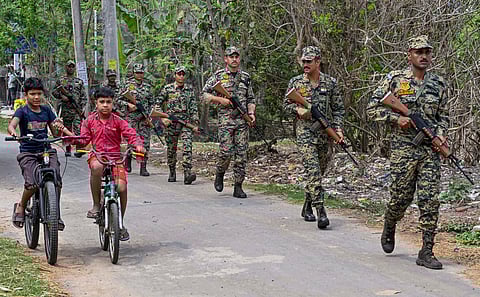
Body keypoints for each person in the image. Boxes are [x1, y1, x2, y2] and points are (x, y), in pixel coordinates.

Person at [367, 35, 448, 269]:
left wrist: (440, 135)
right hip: (403, 149)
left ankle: (426, 250)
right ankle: (390, 222)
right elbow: (372, 108)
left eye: (427, 52)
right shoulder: (394, 80)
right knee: (400, 197)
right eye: (419, 52)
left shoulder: (439, 84)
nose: (424, 56)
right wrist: (396, 119)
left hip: (429, 150)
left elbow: (444, 117)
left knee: (430, 199)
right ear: (409, 54)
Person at [283, 46, 345, 230]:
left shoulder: (330, 83)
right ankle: (321, 211)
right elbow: (286, 105)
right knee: (313, 170)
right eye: (303, 61)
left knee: (320, 169)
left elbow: (338, 109)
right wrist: (297, 110)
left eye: (309, 61)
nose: (305, 64)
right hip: (305, 133)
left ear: (318, 62)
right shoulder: (296, 82)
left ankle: (307, 205)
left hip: (324, 134)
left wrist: (338, 129)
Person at [74, 87, 145, 241]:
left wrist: (138, 144)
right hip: (98, 156)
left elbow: (131, 134)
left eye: (108, 102)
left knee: (121, 187)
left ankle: (119, 222)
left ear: (112, 103)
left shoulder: (118, 120)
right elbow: (83, 139)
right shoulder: (89, 121)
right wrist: (73, 139)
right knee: (97, 168)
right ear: (96, 103)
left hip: (116, 158)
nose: (105, 105)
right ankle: (96, 204)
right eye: (102, 102)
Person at [8, 77, 73, 230]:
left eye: (39, 93)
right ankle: (21, 205)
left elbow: (55, 130)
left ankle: (55, 214)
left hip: (45, 150)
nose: (36, 97)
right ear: (26, 95)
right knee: (31, 184)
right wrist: (14, 134)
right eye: (32, 94)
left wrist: (61, 128)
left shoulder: (46, 111)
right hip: (28, 152)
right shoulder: (22, 111)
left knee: (56, 179)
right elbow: (12, 125)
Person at [202, 46, 256, 198]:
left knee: (241, 154)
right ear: (226, 59)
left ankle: (238, 186)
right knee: (226, 152)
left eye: (236, 56)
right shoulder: (218, 76)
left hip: (242, 121)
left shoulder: (245, 77)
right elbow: (204, 95)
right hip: (226, 121)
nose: (234, 59)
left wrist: (251, 113)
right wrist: (221, 100)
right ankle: (220, 172)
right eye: (231, 57)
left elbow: (251, 98)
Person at [157, 66, 199, 184]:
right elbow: (157, 105)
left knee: (187, 146)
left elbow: (193, 107)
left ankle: (187, 173)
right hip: (171, 123)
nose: (181, 76)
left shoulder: (189, 90)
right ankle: (172, 171)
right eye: (179, 74)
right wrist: (163, 118)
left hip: (185, 123)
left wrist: (195, 122)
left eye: (183, 74)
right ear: (175, 75)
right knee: (171, 148)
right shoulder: (167, 89)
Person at [120, 63, 155, 176]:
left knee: (145, 142)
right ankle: (128, 160)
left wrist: (149, 115)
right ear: (134, 73)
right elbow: (118, 100)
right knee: (131, 141)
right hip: (131, 118)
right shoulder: (127, 85)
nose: (139, 75)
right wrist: (128, 105)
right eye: (137, 72)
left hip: (143, 118)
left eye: (141, 72)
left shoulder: (147, 87)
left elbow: (152, 103)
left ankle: (143, 167)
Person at [51, 60, 87, 157]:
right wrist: (61, 96)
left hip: (76, 109)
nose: (70, 68)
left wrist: (82, 108)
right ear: (66, 67)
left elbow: (83, 96)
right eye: (69, 66)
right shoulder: (61, 80)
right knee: (66, 129)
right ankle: (67, 149)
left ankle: (79, 149)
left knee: (77, 129)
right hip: (66, 109)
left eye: (72, 67)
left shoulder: (79, 81)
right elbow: (54, 92)